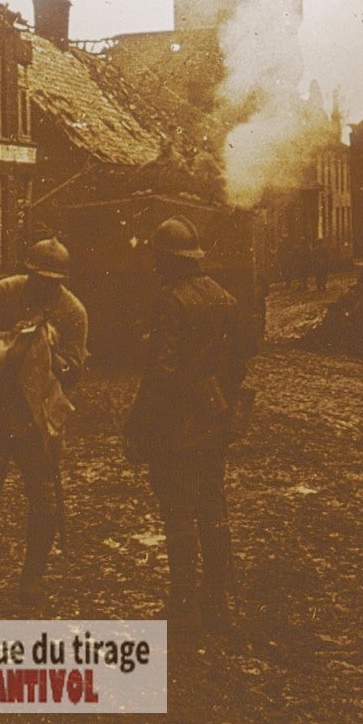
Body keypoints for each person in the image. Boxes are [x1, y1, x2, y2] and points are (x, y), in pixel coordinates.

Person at [124, 215, 251, 634]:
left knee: (178, 512)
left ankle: (183, 605)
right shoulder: (224, 298)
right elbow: (239, 364)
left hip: (176, 427)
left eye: (159, 258)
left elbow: (160, 374)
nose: (155, 265)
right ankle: (217, 602)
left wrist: (137, 425)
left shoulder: (171, 300)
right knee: (212, 508)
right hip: (214, 421)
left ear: (170, 259)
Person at [0, 237, 88, 606]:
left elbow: (75, 369)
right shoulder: (6, 291)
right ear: (28, 271)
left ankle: (32, 578)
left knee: (43, 497)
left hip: (39, 417)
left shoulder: (72, 311)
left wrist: (49, 353)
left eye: (52, 281)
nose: (44, 286)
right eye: (38, 278)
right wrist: (17, 339)